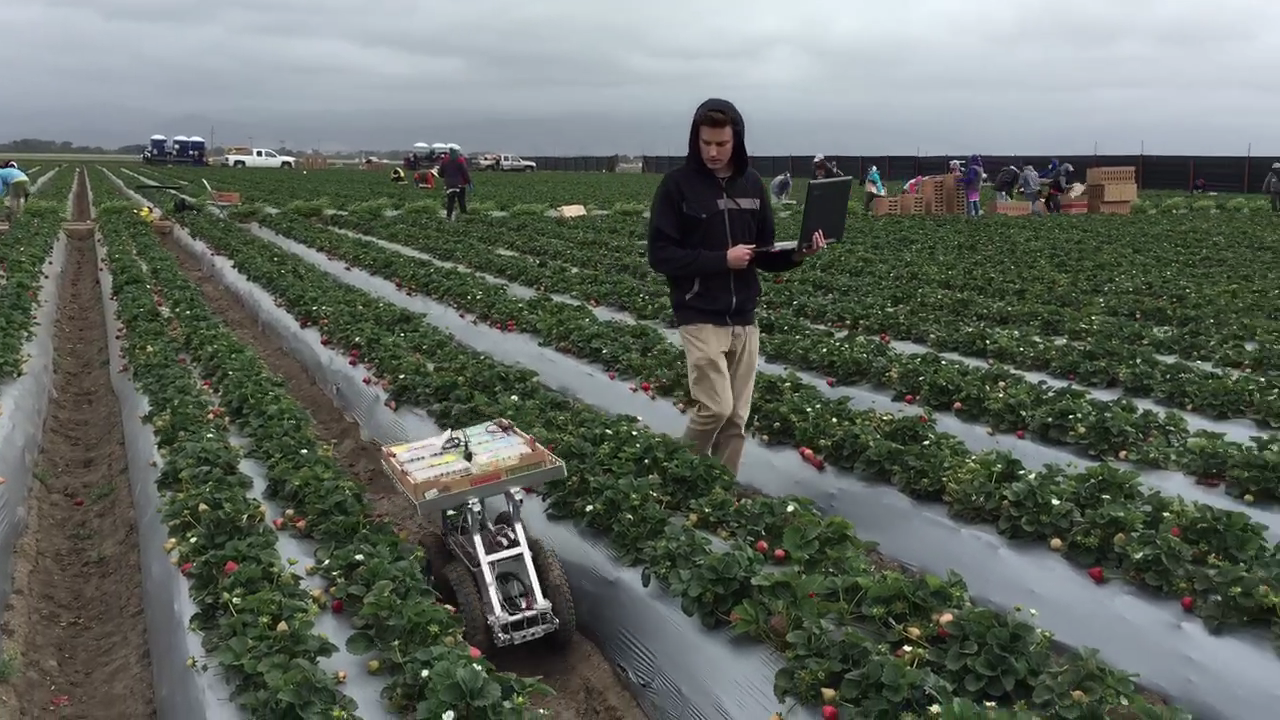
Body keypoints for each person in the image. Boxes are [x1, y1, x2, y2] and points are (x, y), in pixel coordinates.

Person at [648, 98, 827, 477]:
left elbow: (763, 253)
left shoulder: (752, 184)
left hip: (744, 315)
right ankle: (680, 474)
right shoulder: (677, 187)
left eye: (721, 144)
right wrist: (720, 260)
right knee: (715, 407)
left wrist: (799, 254)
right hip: (699, 312)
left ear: (737, 141)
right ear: (695, 139)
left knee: (736, 419)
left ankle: (719, 490)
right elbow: (661, 256)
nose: (712, 152)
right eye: (706, 143)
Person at [437, 147, 472, 220]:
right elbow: (465, 172)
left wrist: (446, 177)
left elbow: (440, 173)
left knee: (450, 202)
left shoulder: (445, 161)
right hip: (460, 184)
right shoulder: (460, 160)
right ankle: (464, 217)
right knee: (461, 201)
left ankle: (448, 217)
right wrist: (469, 182)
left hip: (449, 185)